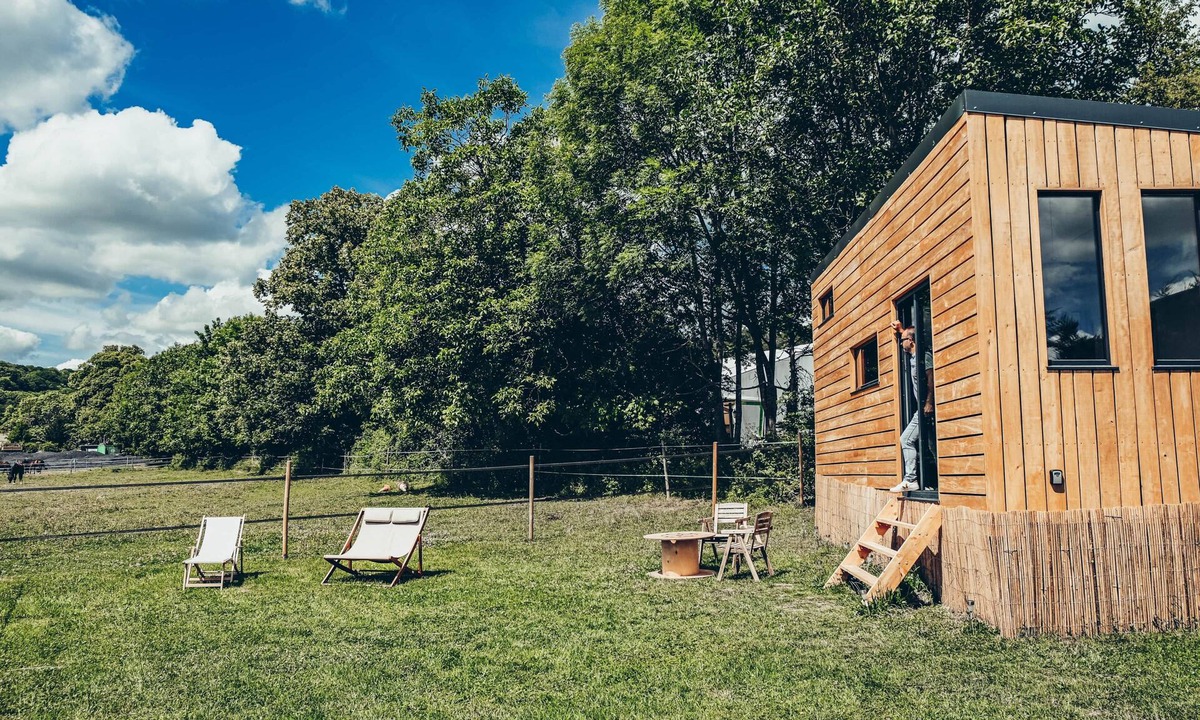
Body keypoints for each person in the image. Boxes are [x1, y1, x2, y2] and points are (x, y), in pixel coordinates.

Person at [889, 320, 934, 493]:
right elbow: (907, 334)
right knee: (931, 445)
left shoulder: (924, 357)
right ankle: (935, 481)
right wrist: (901, 330)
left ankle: (911, 480)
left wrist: (929, 402)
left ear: (911, 341)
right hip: (922, 408)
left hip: (926, 407)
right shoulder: (913, 356)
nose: (901, 343)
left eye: (903, 340)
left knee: (906, 439)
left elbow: (931, 380)